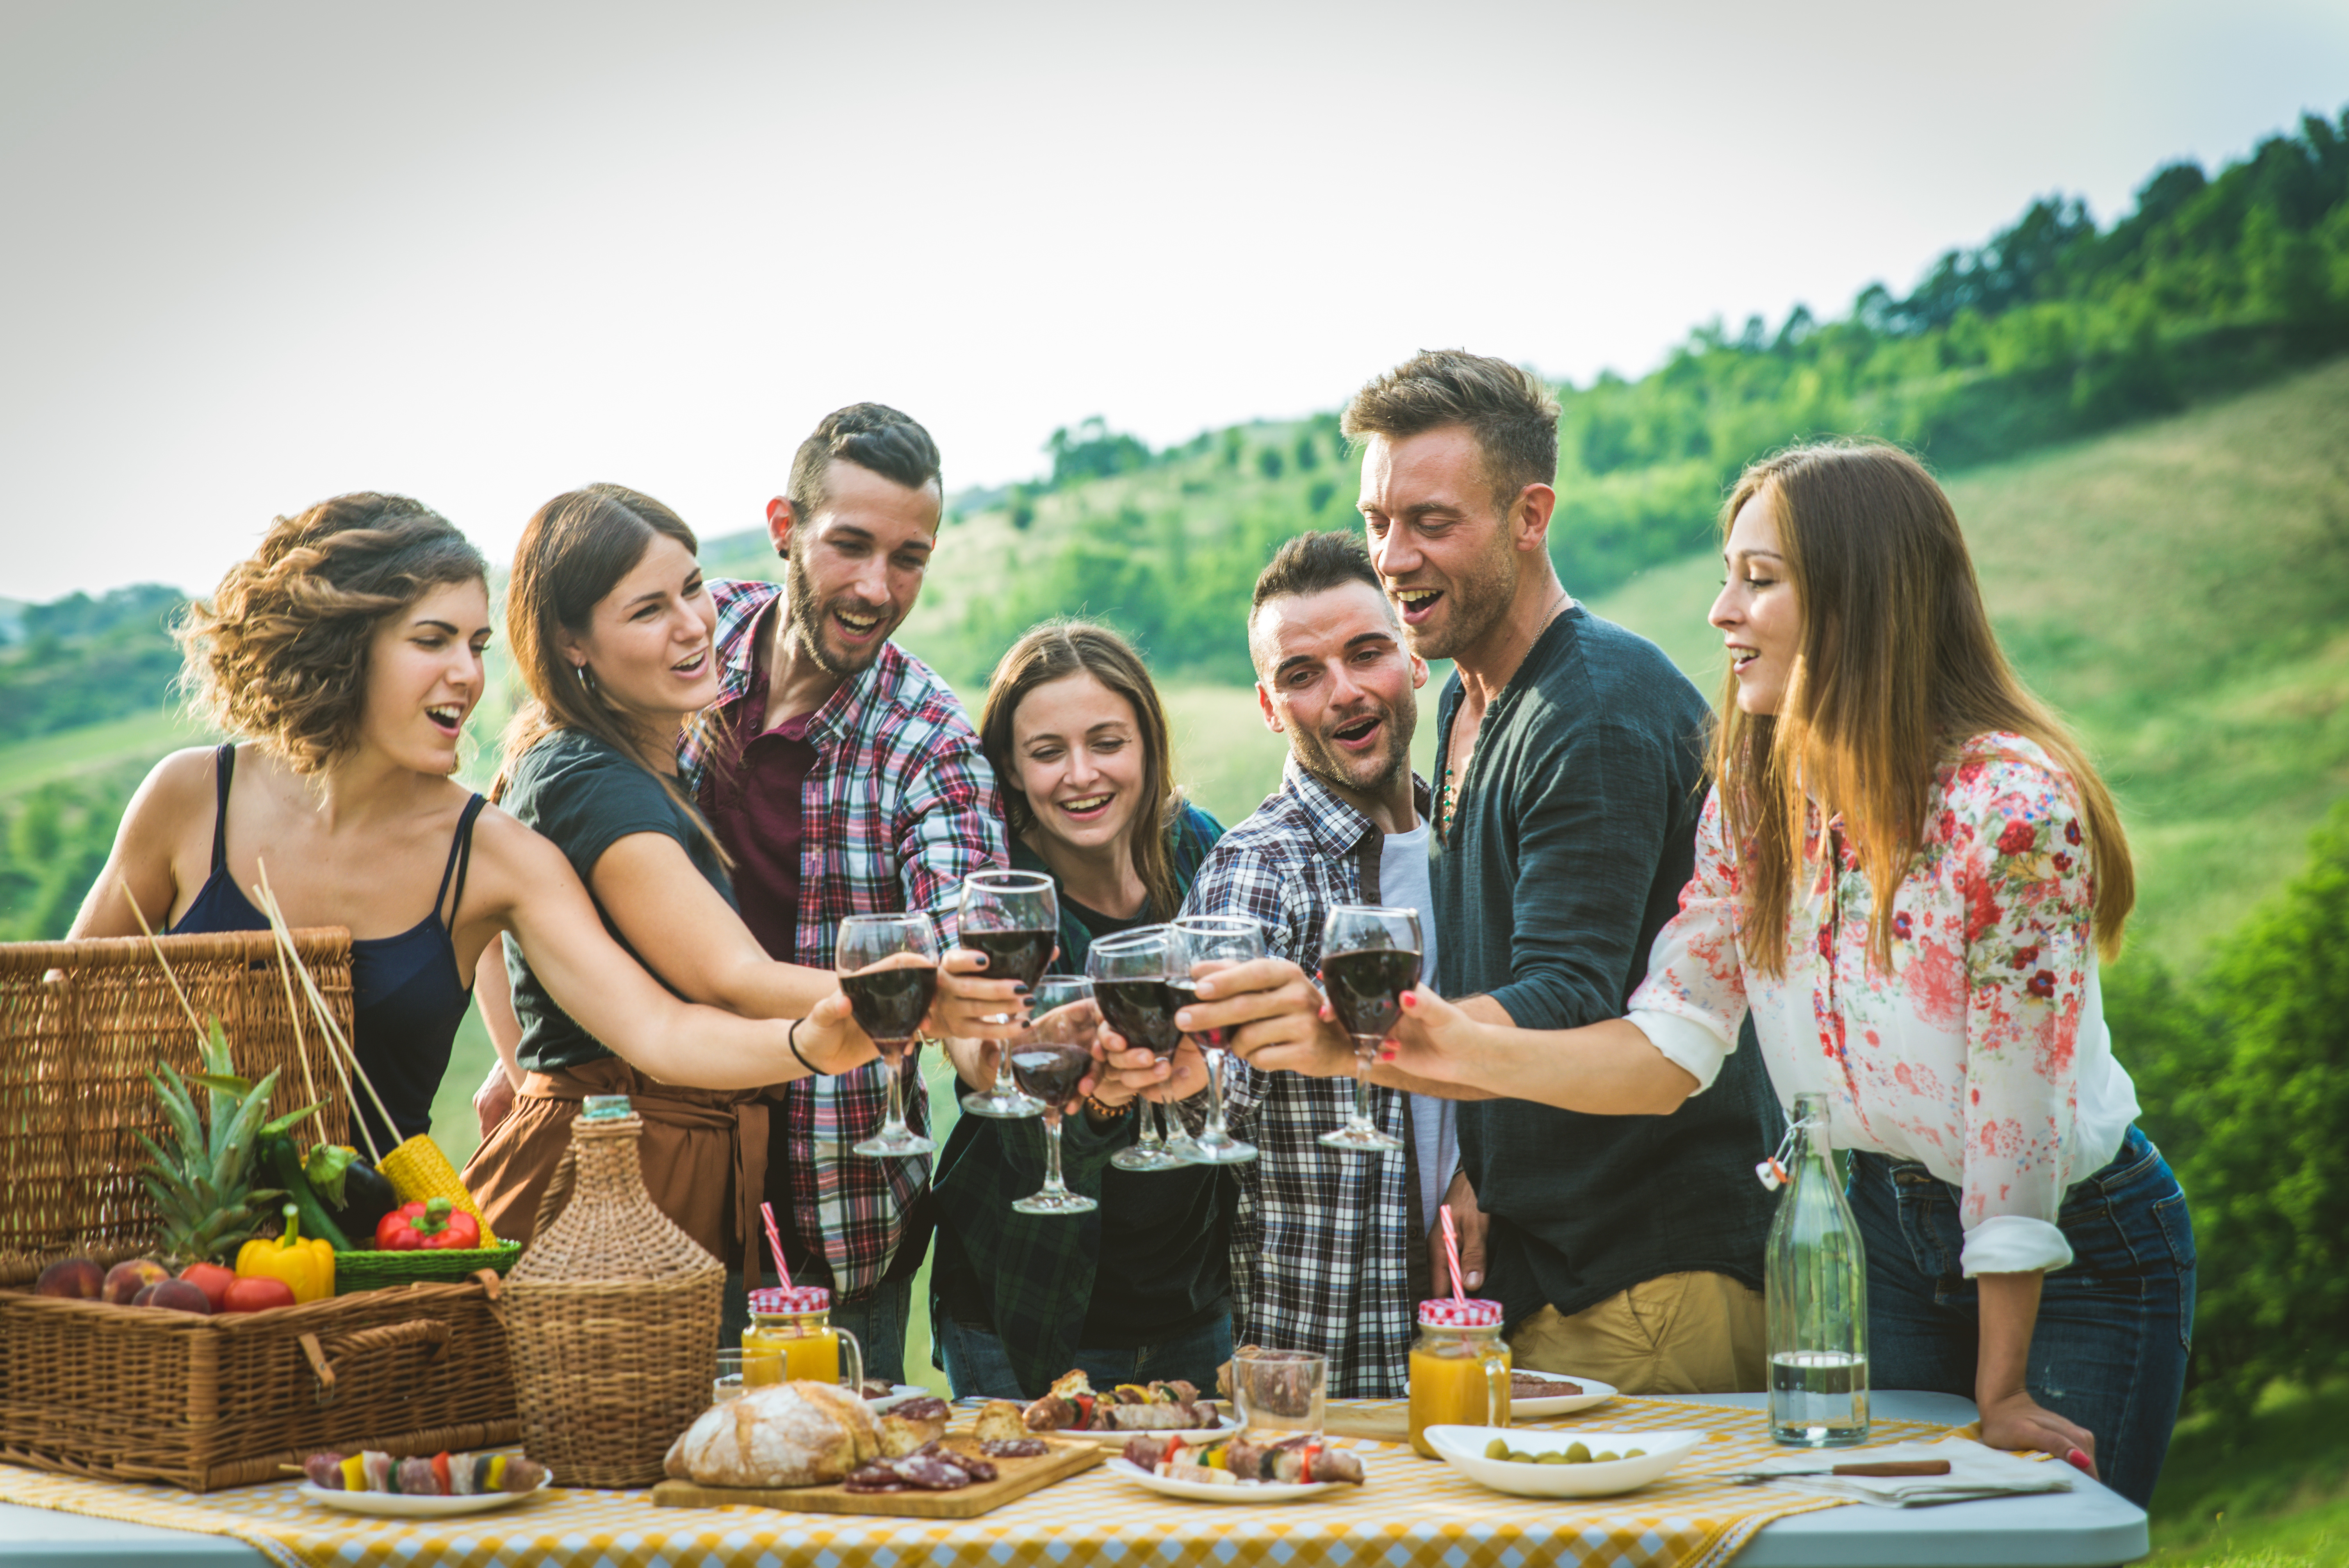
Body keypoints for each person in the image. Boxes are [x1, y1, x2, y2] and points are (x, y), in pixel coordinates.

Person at [1366, 441, 2193, 1506]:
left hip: (2079, 1249)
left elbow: (2015, 1120)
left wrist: (2004, 1385)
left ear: (1863, 600)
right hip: (1877, 1233)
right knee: (1873, 1536)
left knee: (2038, 1530)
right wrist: (1442, 1048)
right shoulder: (1756, 801)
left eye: (1759, 581)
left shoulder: (2013, 813)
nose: (1721, 612)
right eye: (1728, 573)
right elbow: (1668, 1049)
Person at [1199, 350, 1784, 1398]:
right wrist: (1475, 1166)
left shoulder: (1590, 713)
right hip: (1557, 1273)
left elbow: (1568, 995)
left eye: (1432, 521)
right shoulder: (1473, 707)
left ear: (1530, 515)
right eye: (1379, 520)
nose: (1394, 555)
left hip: (1650, 1283)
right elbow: (1511, 968)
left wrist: (1364, 1045)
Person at [71, 492, 872, 1158]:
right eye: (432, 640)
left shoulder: (493, 854)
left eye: (477, 643)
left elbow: (658, 1029)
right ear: (341, 649)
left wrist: (805, 1046)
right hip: (158, 1273)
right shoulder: (190, 798)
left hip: (376, 1267)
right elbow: (56, 1013)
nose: (467, 672)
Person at [460, 485, 1000, 1312]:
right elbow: (730, 977)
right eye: (646, 610)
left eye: (691, 586)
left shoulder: (631, 751)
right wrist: (925, 999)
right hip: (618, 1192)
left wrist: (530, 1061)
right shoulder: (592, 782)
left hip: (685, 1182)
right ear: (572, 640)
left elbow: (498, 919)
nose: (691, 623)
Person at [677, 404, 1011, 1384]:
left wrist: (996, 1044)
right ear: (785, 527)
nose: (876, 588)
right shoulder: (690, 646)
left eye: (909, 557)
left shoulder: (929, 737)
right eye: (850, 546)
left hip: (835, 1207)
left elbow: (965, 939)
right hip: (655, 1187)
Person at [1175, 530, 1457, 1397]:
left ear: (1410, 661)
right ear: (1269, 707)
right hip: (1331, 1351)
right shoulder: (1260, 864)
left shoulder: (1473, 836)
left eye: (1366, 654)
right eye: (1301, 675)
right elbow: (1205, 1098)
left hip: (1486, 1307)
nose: (1342, 692)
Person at [927, 620, 1232, 1400]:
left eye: (1106, 741)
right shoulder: (1004, 903)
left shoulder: (1205, 857)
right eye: (1047, 751)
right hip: (1024, 1305)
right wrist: (1093, 1097)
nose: (1081, 774)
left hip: (1191, 1300)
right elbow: (1009, 1110)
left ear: (1148, 744)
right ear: (1010, 766)